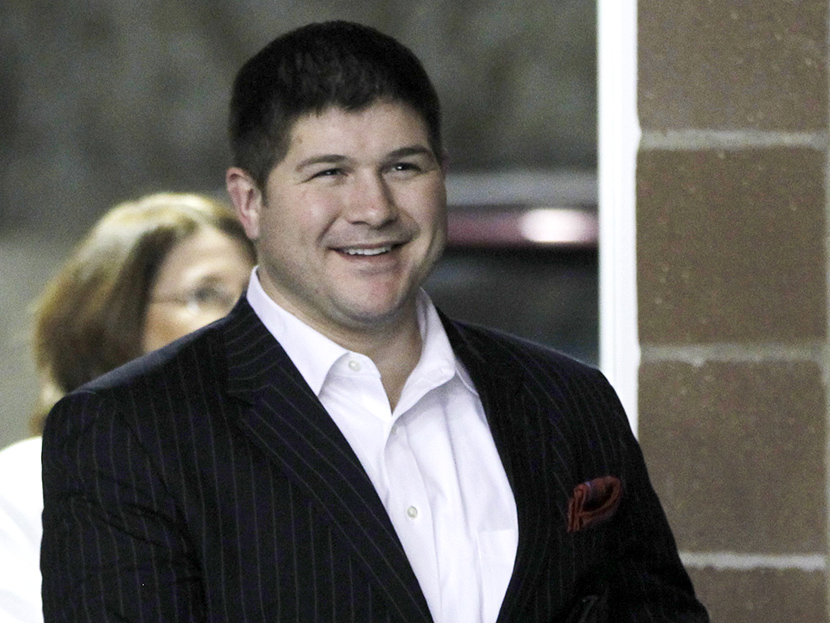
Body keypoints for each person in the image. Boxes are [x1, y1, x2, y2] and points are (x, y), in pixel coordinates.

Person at [40, 21, 709, 623]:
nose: (373, 207)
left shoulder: (572, 402)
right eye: (329, 172)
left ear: (441, 176)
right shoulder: (129, 431)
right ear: (249, 201)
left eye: (402, 166)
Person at [0, 192, 254, 623]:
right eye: (205, 294)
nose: (244, 321)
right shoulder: (24, 484)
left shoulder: (274, 461)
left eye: (254, 296)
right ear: (115, 317)